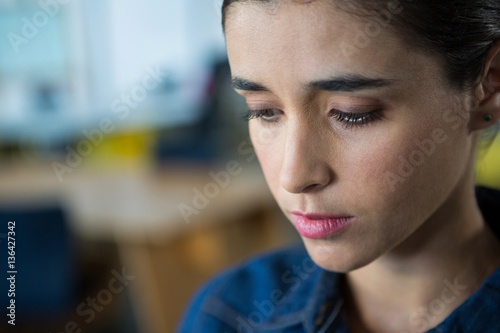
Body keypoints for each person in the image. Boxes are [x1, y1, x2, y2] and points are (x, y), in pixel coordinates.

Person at [178, 1, 500, 332]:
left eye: (352, 113)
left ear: (489, 84)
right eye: (263, 111)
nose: (294, 177)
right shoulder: (228, 315)